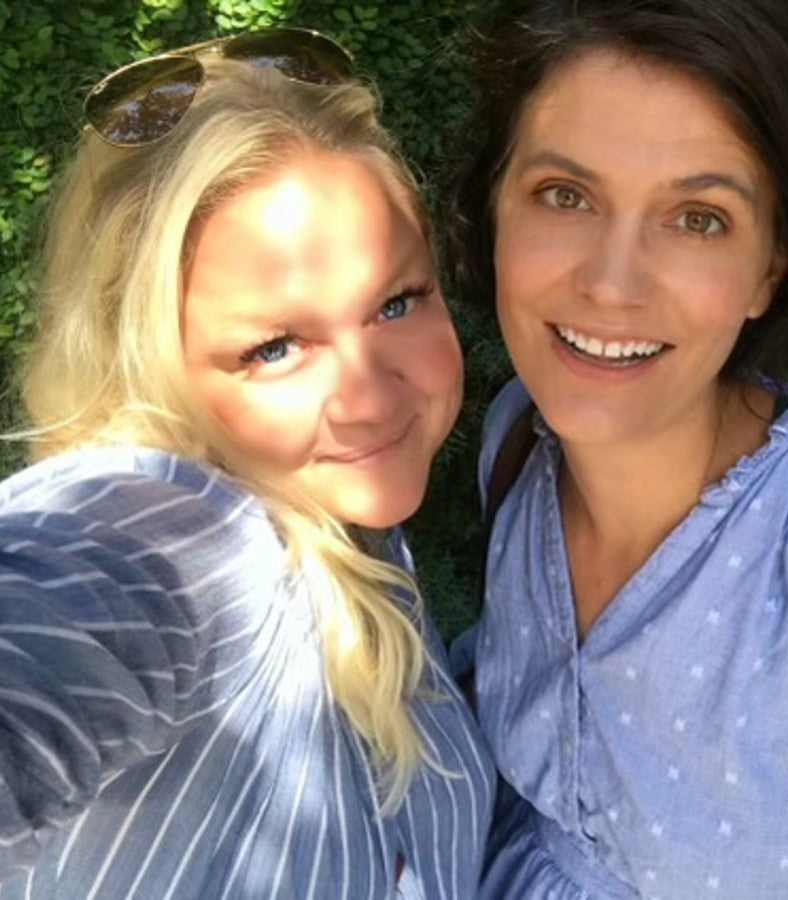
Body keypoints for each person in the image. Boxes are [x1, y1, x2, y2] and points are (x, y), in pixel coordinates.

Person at [446, 1, 788, 897]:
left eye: (698, 218)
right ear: (495, 210)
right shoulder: (519, 442)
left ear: (770, 268)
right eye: (565, 195)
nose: (611, 284)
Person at [0, 28, 493, 898]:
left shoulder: (346, 531)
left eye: (396, 302)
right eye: (274, 348)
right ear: (150, 362)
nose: (368, 398)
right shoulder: (172, 540)